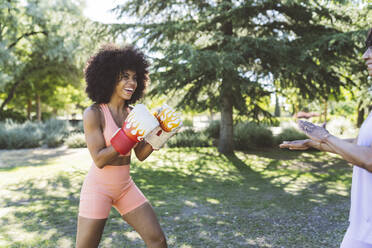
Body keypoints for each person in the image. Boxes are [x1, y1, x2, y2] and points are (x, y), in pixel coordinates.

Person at [280, 28, 372, 248]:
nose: (365, 55)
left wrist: (326, 136)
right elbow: (361, 148)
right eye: (367, 48)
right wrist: (317, 143)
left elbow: (369, 159)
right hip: (363, 224)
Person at [76, 44, 167, 248]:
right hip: (98, 188)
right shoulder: (94, 113)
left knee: (157, 240)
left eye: (135, 78)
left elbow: (140, 154)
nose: (131, 82)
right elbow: (99, 159)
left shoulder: (133, 113)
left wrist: (161, 133)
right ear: (109, 77)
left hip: (125, 186)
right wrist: (126, 135)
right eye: (124, 76)